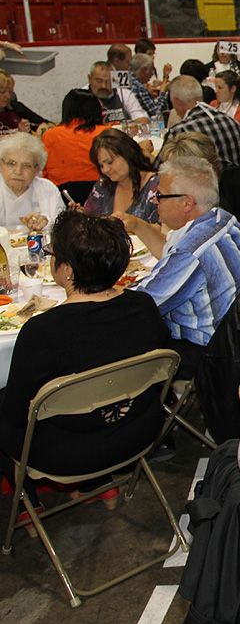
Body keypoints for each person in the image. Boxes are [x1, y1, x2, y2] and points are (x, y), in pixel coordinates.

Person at [0, 212, 172, 512]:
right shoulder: (143, 306)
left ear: (65, 270)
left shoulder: (43, 331)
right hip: (138, 431)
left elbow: (15, 415)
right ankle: (95, 486)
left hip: (66, 453)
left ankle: (27, 508)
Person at [136, 157, 240, 379]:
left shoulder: (190, 252)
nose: (154, 201)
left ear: (187, 203)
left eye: (160, 196)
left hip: (210, 352)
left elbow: (141, 306)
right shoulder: (224, 219)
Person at [165, 75, 240, 170]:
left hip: (206, 183)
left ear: (177, 102)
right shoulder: (232, 122)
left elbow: (159, 167)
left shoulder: (180, 131)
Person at [83, 128, 161, 224]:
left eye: (110, 162)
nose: (105, 170)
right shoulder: (104, 185)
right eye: (101, 165)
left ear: (128, 154)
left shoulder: (158, 186)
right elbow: (88, 222)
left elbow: (166, 232)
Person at [41, 89, 110, 190]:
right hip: (101, 193)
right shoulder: (106, 133)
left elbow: (44, 171)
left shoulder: (49, 135)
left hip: (61, 195)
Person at [0, 133, 65, 232]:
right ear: (1, 165)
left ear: (37, 169)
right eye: (11, 164)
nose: (18, 171)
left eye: (26, 166)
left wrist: (46, 223)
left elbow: (61, 227)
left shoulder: (47, 188)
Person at [84, 61, 148, 126]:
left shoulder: (124, 94)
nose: (104, 86)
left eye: (108, 81)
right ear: (90, 78)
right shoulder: (81, 96)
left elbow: (143, 119)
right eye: (99, 81)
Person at [126, 53, 171, 121]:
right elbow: (155, 113)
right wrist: (163, 93)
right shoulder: (138, 87)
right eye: (151, 70)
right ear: (144, 69)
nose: (152, 74)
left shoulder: (128, 80)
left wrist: (148, 93)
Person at [0, 70, 46, 134]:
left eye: (10, 92)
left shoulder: (17, 108)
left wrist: (44, 126)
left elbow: (44, 123)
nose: (8, 96)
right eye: (2, 92)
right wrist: (18, 133)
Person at [210, 70, 240, 134]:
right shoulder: (213, 104)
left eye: (220, 88)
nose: (215, 91)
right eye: (215, 87)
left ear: (233, 89)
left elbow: (232, 131)